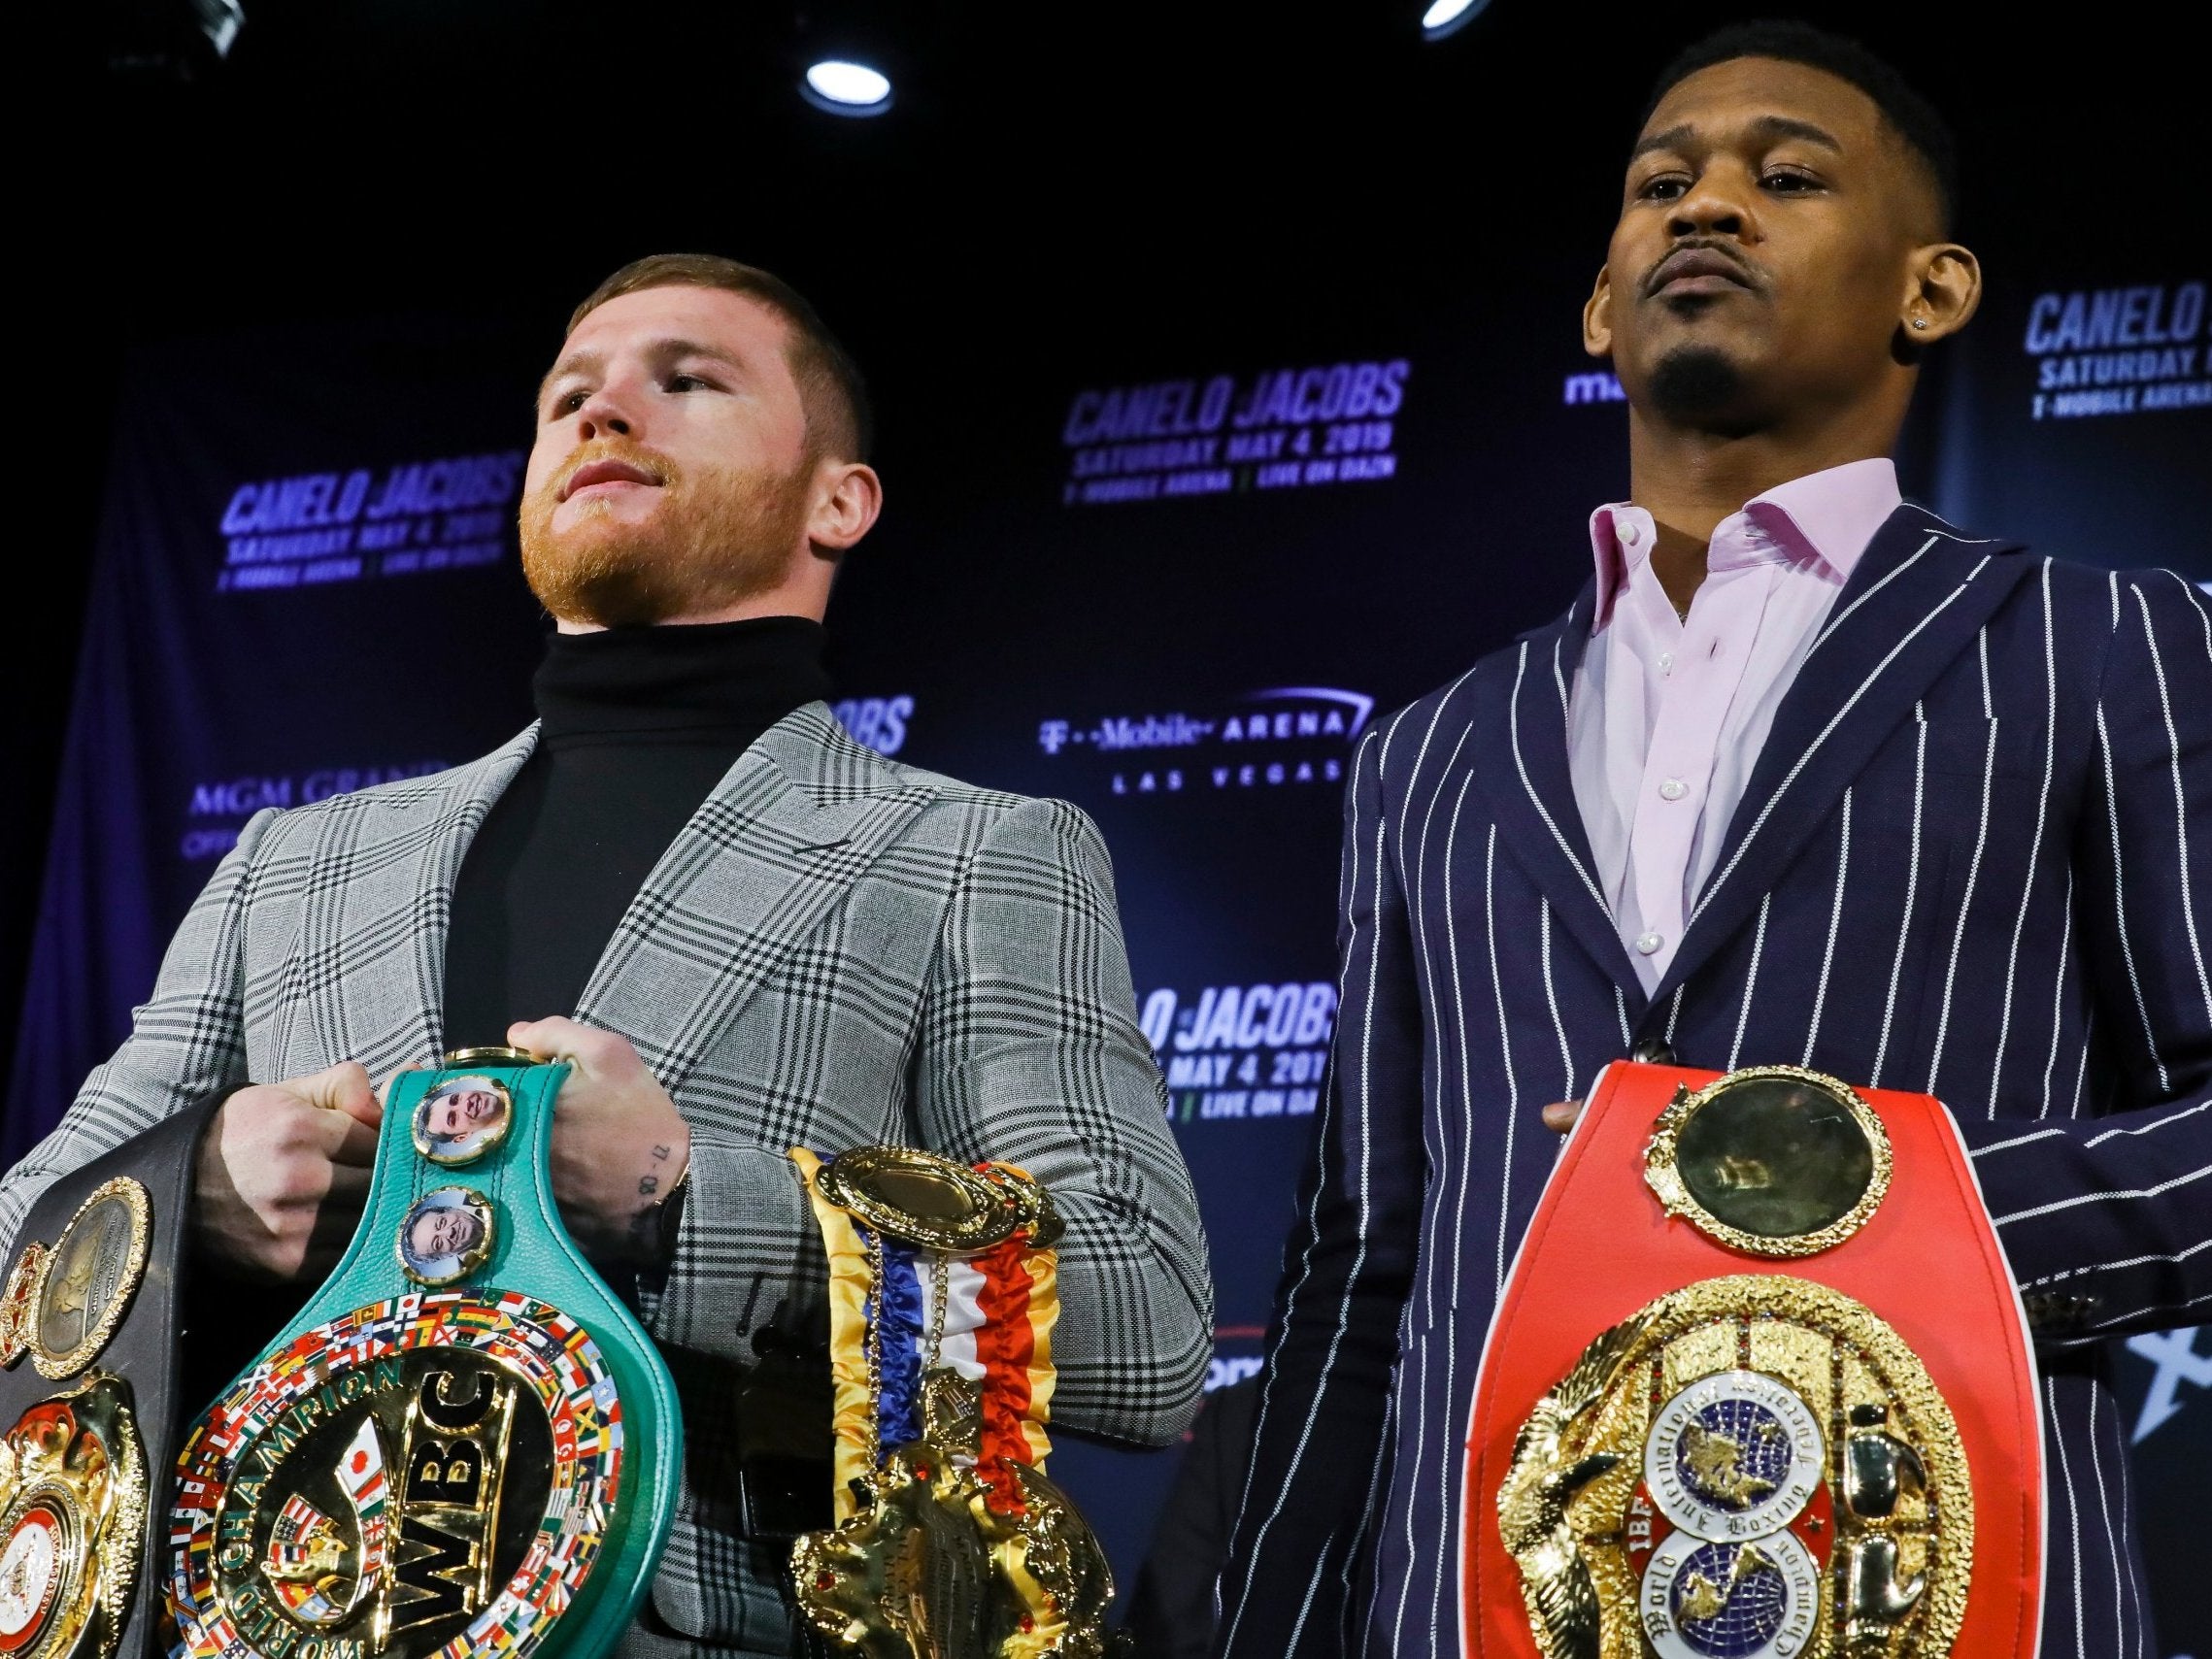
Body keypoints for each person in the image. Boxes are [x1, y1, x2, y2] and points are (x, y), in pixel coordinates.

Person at [0, 252, 1212, 1656]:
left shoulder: (975, 852)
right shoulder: (298, 859)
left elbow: (1142, 1320)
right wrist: (192, 1191)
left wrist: (684, 1197)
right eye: (567, 394)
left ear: (841, 499)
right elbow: (17, 1237)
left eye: (684, 381)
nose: (604, 410)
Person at [1213, 24, 2211, 1659]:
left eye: (1787, 175)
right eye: (1660, 184)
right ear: (1600, 303)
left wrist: (1876, 1211)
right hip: (1469, 1610)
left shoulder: (2105, 646)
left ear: (1932, 289)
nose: (1709, 207)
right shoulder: (1428, 749)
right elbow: (1354, 1276)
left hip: (1929, 1587)